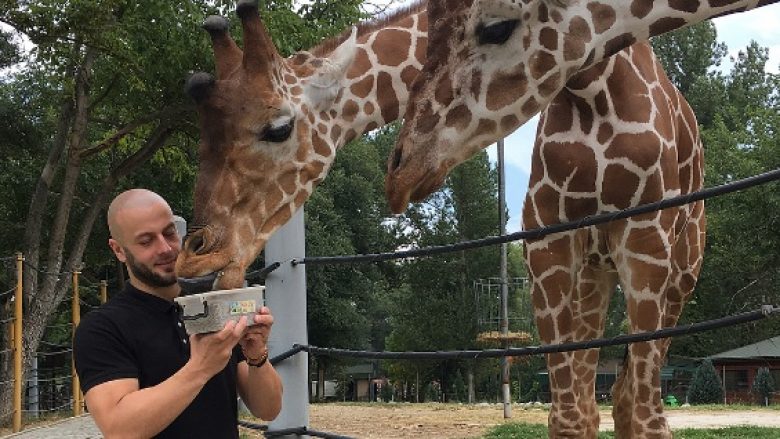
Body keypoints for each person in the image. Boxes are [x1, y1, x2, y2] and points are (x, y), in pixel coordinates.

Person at [74, 189, 282, 438]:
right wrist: (200, 368)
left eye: (169, 233)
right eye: (146, 241)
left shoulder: (214, 303)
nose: (165, 248)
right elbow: (119, 428)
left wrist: (257, 355)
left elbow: (269, 409)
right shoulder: (102, 328)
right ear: (118, 250)